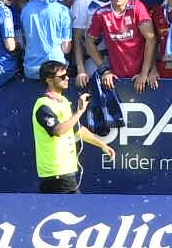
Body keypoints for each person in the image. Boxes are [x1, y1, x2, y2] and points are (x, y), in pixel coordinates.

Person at [30, 58, 113, 194]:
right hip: (56, 171)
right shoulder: (43, 105)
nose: (67, 78)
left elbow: (76, 130)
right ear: (49, 80)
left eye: (67, 74)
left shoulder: (63, 102)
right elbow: (58, 130)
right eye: (62, 77)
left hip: (64, 171)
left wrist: (102, 145)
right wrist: (80, 111)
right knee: (77, 209)